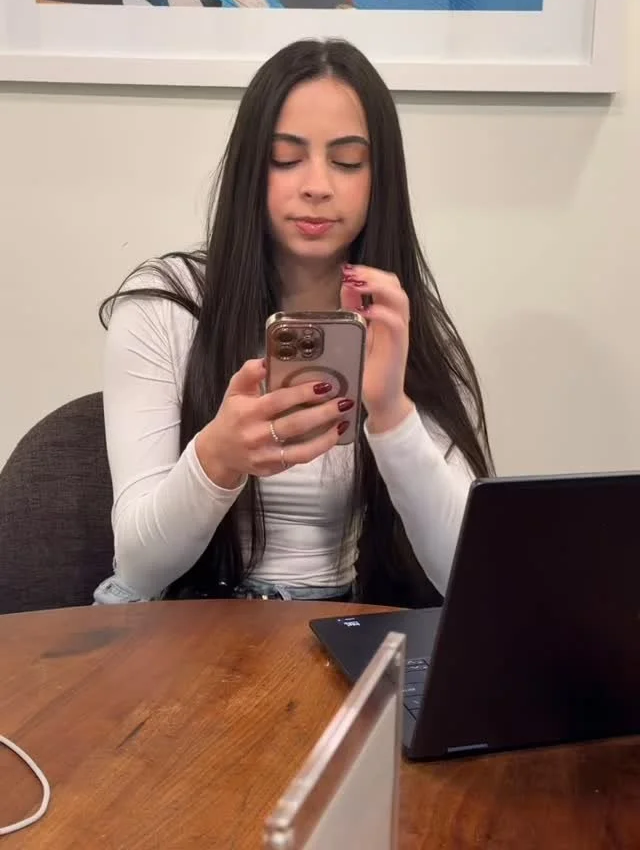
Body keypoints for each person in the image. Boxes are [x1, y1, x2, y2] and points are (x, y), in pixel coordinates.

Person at [94, 38, 493, 609]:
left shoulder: (395, 323)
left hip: (335, 620)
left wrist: (390, 412)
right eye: (286, 158)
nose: (317, 186)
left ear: (379, 179)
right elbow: (137, 565)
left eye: (347, 161)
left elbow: (468, 576)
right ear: (251, 170)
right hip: (183, 623)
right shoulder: (166, 306)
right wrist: (218, 458)